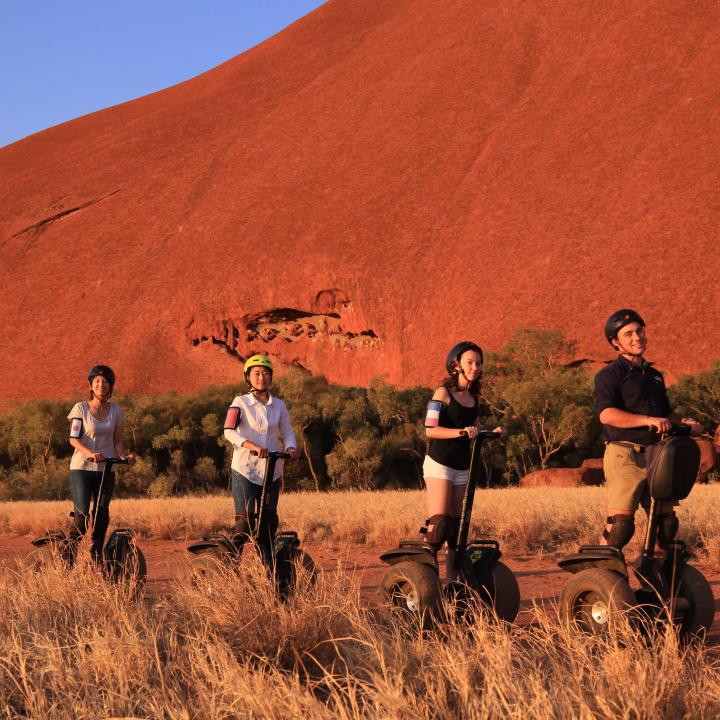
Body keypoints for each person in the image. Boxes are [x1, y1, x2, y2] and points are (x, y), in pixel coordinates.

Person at [595, 309, 703, 554]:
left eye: (639, 331)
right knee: (621, 527)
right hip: (625, 455)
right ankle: (600, 572)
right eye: (628, 334)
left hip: (658, 454)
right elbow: (607, 414)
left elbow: (666, 414)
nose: (637, 338)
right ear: (615, 342)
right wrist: (648, 420)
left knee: (666, 524)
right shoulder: (610, 374)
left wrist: (685, 422)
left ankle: (652, 576)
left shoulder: (654, 375)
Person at [422, 341, 504, 582]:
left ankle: (451, 582)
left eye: (478, 363)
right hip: (439, 463)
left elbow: (475, 428)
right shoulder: (442, 393)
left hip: (462, 466)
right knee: (440, 524)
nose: (475, 367)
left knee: (457, 529)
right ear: (456, 365)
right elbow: (430, 429)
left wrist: (494, 432)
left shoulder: (475, 398)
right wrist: (459, 432)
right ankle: (426, 578)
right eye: (470, 362)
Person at [223, 354, 299, 563]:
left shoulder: (279, 405)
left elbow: (287, 432)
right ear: (248, 377)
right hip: (245, 469)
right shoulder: (240, 402)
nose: (261, 377)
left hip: (272, 471)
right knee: (245, 522)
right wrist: (252, 446)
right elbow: (228, 431)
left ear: (271, 377)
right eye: (256, 373)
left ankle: (267, 568)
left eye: (266, 373)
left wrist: (291, 447)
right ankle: (230, 565)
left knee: (268, 522)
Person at [67, 365, 135, 562]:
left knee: (102, 514)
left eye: (105, 381)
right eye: (97, 381)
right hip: (82, 468)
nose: (101, 385)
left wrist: (125, 456)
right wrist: (91, 453)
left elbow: (118, 441)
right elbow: (73, 439)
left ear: (110, 386)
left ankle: (95, 555)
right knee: (82, 519)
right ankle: (68, 557)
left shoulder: (116, 410)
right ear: (90, 385)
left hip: (107, 468)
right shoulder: (80, 408)